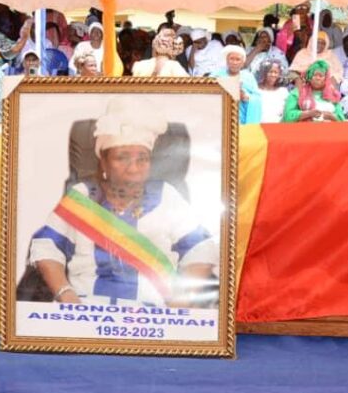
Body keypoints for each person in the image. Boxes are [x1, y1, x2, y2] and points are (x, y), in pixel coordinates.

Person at [27, 99, 217, 307]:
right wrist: (65, 293)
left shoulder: (167, 196)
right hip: (84, 311)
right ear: (104, 161)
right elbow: (46, 246)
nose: (133, 168)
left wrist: (182, 300)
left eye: (142, 158)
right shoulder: (82, 196)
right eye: (122, 158)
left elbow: (201, 248)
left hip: (154, 318)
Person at [215, 44, 260, 124]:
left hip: (242, 121)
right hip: (220, 120)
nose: (234, 62)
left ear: (243, 63)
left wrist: (246, 97)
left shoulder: (249, 77)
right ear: (226, 61)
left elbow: (257, 99)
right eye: (231, 59)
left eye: (238, 59)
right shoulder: (216, 76)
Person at [254, 58, 289, 123]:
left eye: (276, 72)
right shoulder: (255, 89)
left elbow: (286, 112)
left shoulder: (283, 92)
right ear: (264, 72)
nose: (273, 75)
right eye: (270, 72)